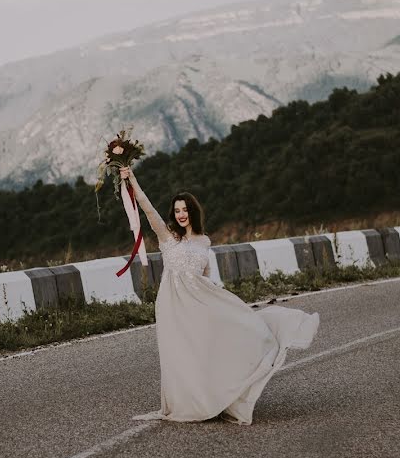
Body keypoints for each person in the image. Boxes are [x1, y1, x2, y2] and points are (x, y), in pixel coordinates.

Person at [121, 166, 320, 425]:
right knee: (181, 352)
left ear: (193, 211)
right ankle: (191, 402)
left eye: (185, 209)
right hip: (173, 304)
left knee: (216, 344)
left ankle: (218, 398)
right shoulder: (167, 237)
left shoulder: (205, 241)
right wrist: (130, 178)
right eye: (177, 210)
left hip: (202, 300)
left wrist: (221, 302)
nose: (181, 214)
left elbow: (205, 275)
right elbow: (147, 208)